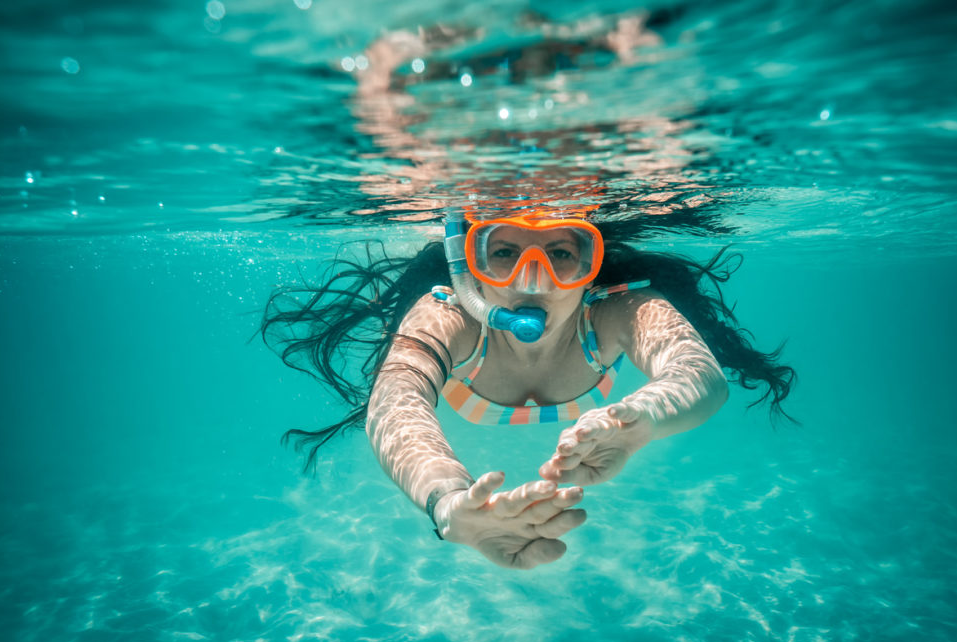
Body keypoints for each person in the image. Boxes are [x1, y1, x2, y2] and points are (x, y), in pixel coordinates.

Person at [261, 207, 795, 569]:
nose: (531, 279)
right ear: (466, 266)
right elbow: (395, 403)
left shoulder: (617, 309)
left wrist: (642, 420)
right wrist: (446, 503)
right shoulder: (450, 317)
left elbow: (696, 374)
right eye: (503, 253)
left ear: (591, 266)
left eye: (562, 254)